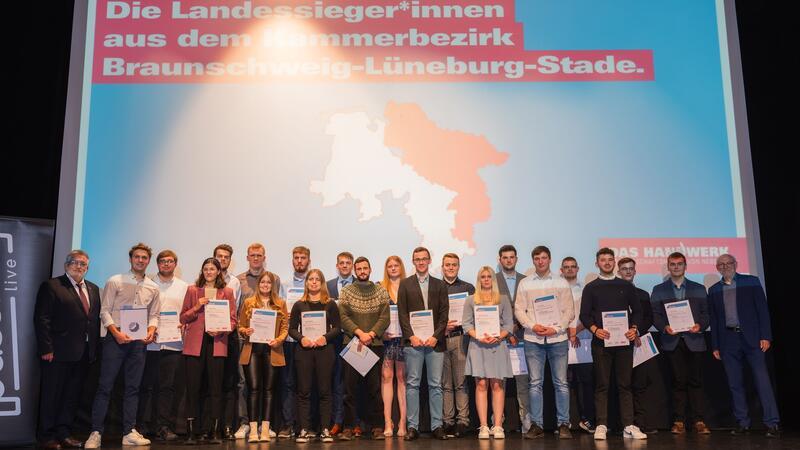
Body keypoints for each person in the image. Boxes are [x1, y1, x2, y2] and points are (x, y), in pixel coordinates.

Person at [84, 243, 161, 449]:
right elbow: (105, 311)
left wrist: (151, 331)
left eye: (144, 258)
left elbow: (154, 315)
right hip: (116, 339)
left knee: (133, 388)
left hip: (138, 343)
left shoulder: (153, 287)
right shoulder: (115, 281)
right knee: (105, 386)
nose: (140, 260)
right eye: (137, 257)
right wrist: (116, 333)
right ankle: (95, 432)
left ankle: (128, 432)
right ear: (130, 259)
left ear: (148, 261)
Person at [34, 250, 101, 450]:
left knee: (71, 396)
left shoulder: (94, 289)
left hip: (84, 353)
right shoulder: (52, 286)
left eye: (83, 264)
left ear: (87, 268)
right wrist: (46, 348)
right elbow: (41, 319)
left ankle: (64, 433)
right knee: (52, 396)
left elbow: (93, 320)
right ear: (66, 265)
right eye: (75, 262)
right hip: (57, 353)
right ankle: (46, 436)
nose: (79, 266)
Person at [708, 254, 780, 438]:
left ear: (736, 264)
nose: (725, 266)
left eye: (728, 263)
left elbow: (762, 310)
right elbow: (714, 319)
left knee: (762, 381)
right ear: (717, 268)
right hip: (728, 340)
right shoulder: (714, 289)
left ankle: (772, 423)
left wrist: (766, 336)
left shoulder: (752, 282)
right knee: (735, 384)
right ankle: (742, 422)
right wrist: (715, 345)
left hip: (753, 339)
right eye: (721, 264)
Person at [578, 248, 646, 440]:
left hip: (624, 343)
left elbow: (638, 312)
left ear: (614, 262)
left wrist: (634, 328)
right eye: (603, 260)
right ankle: (601, 424)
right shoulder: (591, 287)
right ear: (597, 263)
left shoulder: (626, 286)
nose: (607, 263)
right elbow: (584, 314)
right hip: (601, 343)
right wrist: (594, 329)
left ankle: (628, 426)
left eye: (610, 260)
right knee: (602, 385)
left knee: (625, 385)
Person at [514, 246, 575, 439]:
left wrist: (555, 329)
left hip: (557, 339)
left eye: (544, 258)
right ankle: (537, 425)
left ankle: (564, 423)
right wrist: (533, 326)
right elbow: (519, 310)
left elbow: (569, 311)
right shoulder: (525, 283)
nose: (541, 261)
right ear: (533, 261)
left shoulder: (561, 282)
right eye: (537, 258)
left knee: (561, 383)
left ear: (549, 260)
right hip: (533, 339)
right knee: (535, 383)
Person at [179, 257, 237, 445]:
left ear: (219, 271)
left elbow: (234, 320)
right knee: (193, 388)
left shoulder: (226, 292)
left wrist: (220, 329)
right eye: (206, 269)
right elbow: (184, 316)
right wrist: (198, 306)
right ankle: (190, 431)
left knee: (215, 388)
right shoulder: (192, 290)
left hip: (217, 343)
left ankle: (213, 431)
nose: (209, 272)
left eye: (212, 269)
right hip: (195, 345)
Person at [650, 252, 710, 435]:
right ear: (668, 266)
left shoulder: (699, 288)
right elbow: (655, 315)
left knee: (696, 381)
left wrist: (701, 325)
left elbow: (706, 314)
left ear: (685, 266)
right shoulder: (659, 289)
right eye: (672, 264)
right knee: (677, 382)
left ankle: (699, 420)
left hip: (695, 340)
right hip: (672, 341)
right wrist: (664, 327)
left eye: (679, 264)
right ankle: (679, 421)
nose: (676, 267)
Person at [397, 247, 449, 440]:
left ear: (429, 261)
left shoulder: (439, 284)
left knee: (435, 385)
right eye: (417, 259)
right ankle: (413, 427)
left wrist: (436, 335)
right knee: (412, 384)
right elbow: (402, 314)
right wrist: (411, 336)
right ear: (413, 261)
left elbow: (444, 314)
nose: (420, 262)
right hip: (414, 343)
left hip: (435, 343)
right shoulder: (405, 284)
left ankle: (437, 426)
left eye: (424, 259)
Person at [137, 250, 189, 441]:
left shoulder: (184, 287)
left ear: (175, 264)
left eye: (170, 261)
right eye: (162, 261)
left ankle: (163, 426)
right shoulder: (147, 283)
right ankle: (141, 426)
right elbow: (140, 309)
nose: (166, 264)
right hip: (149, 342)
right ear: (157, 264)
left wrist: (184, 324)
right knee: (146, 386)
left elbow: (186, 313)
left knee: (167, 387)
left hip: (173, 344)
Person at [338, 257, 391, 440]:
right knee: (349, 390)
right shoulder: (346, 291)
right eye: (358, 268)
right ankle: (348, 427)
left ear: (370, 269)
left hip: (374, 344)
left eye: (365, 268)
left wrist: (371, 334)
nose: (362, 271)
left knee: (374, 389)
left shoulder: (381, 291)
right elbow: (343, 317)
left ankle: (377, 427)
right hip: (352, 344)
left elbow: (385, 318)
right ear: (355, 270)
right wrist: (360, 333)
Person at [235, 243, 282, 439]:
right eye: (252, 255)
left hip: (270, 344)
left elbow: (280, 317)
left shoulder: (275, 278)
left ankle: (266, 425)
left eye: (259, 255)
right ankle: (246, 424)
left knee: (268, 386)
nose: (256, 258)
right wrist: (243, 330)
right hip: (248, 342)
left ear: (264, 257)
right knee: (245, 383)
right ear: (247, 257)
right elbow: (238, 316)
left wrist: (278, 337)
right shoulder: (239, 280)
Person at [288, 268, 342, 443]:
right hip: (303, 351)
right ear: (306, 282)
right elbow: (292, 329)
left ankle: (325, 429)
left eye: (317, 279)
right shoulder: (299, 304)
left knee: (325, 391)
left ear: (322, 282)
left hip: (324, 352)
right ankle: (304, 429)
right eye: (310, 279)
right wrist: (301, 338)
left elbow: (337, 328)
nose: (313, 282)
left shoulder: (330, 304)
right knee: (304, 391)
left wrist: (324, 338)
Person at [463, 266, 514, 439]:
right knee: (481, 384)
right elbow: (466, 324)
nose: (486, 279)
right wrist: (478, 336)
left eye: (489, 276)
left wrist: (498, 337)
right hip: (478, 346)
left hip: (497, 345)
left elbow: (509, 325)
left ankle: (498, 425)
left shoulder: (503, 299)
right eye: (482, 276)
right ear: (479, 279)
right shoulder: (471, 300)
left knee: (497, 385)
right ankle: (484, 426)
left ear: (493, 279)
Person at [238, 271, 289, 442]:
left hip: (272, 350)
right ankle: (253, 429)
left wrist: (279, 340)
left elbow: (284, 328)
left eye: (269, 283)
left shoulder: (280, 303)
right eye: (263, 282)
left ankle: (265, 429)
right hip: (252, 349)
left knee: (268, 390)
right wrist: (246, 331)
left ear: (273, 285)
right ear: (258, 284)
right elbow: (241, 326)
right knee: (253, 389)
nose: (266, 285)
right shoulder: (249, 302)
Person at [618, 257, 662, 435]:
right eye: (624, 269)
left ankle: (640, 423)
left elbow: (649, 318)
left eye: (630, 269)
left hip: (639, 343)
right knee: (622, 385)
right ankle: (623, 423)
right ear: (618, 271)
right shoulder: (612, 293)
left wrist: (636, 332)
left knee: (640, 384)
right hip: (618, 344)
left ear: (635, 271)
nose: (628, 271)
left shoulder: (643, 294)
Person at [495, 244, 530, 433]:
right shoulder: (492, 280)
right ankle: (498, 418)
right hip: (500, 338)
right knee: (499, 381)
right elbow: (489, 309)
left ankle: (526, 418)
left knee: (523, 381)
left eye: (511, 257)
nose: (508, 260)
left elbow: (530, 308)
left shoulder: (526, 280)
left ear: (516, 259)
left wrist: (517, 325)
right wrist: (506, 330)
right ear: (500, 260)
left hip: (523, 336)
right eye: (505, 257)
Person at [278, 245, 311, 439]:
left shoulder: (314, 282)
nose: (300, 261)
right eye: (297, 258)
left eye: (303, 258)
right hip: (290, 340)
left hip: (310, 340)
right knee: (288, 383)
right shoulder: (284, 284)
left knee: (307, 385)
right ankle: (288, 424)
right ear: (293, 261)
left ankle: (306, 425)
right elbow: (279, 310)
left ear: (308, 261)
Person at [441, 253, 475, 438]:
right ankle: (448, 421)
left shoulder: (468, 288)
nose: (451, 267)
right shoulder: (436, 287)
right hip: (442, 339)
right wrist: (441, 327)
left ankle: (462, 421)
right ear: (442, 267)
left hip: (461, 338)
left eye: (454, 264)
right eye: (448, 265)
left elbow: (475, 313)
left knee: (461, 383)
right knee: (446, 384)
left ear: (458, 266)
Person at [213, 244, 245, 440]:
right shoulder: (204, 280)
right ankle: (211, 426)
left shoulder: (234, 282)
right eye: (219, 256)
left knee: (229, 383)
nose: (222, 259)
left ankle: (226, 425)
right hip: (208, 337)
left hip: (228, 337)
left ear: (229, 260)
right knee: (211, 383)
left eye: (226, 257)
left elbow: (235, 311)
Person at [563, 256, 596, 434]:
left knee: (586, 382)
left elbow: (589, 314)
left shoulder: (586, 289)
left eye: (572, 267)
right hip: (561, 340)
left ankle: (587, 419)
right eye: (566, 267)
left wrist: (575, 330)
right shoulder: (557, 288)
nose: (569, 270)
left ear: (578, 269)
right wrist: (567, 331)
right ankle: (564, 421)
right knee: (563, 383)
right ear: (561, 270)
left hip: (583, 340)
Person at [380, 256, 408, 438]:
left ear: (401, 267)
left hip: (404, 339)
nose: (393, 268)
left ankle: (402, 423)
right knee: (386, 377)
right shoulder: (381, 288)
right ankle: (387, 421)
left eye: (396, 265)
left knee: (402, 377)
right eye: (389, 266)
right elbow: (376, 314)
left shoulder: (409, 286)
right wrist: (381, 332)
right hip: (387, 339)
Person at [327, 252, 354, 437]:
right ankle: (338, 421)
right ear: (337, 265)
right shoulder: (328, 286)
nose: (344, 266)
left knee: (354, 383)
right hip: (334, 340)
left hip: (354, 339)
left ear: (352, 265)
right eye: (341, 263)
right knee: (336, 382)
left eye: (347, 263)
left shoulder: (360, 285)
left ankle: (356, 423)